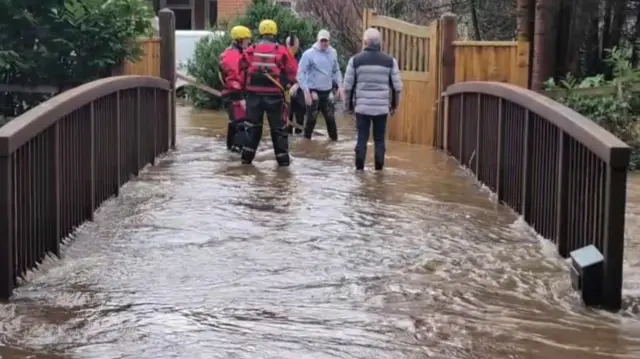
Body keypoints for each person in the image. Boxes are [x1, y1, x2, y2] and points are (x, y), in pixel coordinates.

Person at [239, 19, 298, 166]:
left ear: (260, 32)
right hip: (275, 97)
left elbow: (241, 68)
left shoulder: (251, 49)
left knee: (252, 128)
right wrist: (288, 84)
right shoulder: (281, 50)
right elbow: (293, 72)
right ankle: (283, 163)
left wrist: (241, 93)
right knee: (278, 130)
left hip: (253, 97)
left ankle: (246, 160)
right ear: (274, 32)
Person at [343, 28, 402, 171]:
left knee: (361, 138)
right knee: (379, 140)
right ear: (379, 43)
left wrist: (348, 106)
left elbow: (348, 87)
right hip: (381, 108)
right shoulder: (390, 61)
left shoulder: (355, 60)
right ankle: (379, 173)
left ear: (365, 42)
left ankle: (359, 172)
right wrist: (394, 105)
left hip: (362, 108)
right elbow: (397, 87)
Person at [297, 29, 343, 141]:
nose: (324, 43)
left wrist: (340, 86)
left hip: (327, 92)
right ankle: (306, 145)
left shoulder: (333, 52)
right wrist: (306, 91)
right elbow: (300, 73)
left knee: (331, 120)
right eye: (322, 41)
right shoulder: (308, 54)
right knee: (311, 121)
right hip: (313, 92)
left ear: (329, 41)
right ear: (318, 40)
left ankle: (333, 144)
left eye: (326, 41)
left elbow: (336, 70)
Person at [220, 25, 251, 152]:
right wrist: (241, 98)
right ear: (239, 40)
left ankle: (231, 151)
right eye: (246, 40)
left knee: (234, 123)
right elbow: (233, 79)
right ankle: (237, 153)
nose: (248, 42)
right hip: (235, 94)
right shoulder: (232, 55)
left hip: (235, 93)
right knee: (241, 124)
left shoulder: (235, 53)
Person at [285, 34, 306, 135]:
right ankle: (288, 135)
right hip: (286, 89)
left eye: (294, 44)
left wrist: (297, 84)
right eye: (290, 44)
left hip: (300, 88)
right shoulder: (283, 55)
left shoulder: (303, 56)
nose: (292, 47)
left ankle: (300, 136)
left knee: (300, 114)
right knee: (287, 115)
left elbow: (305, 73)